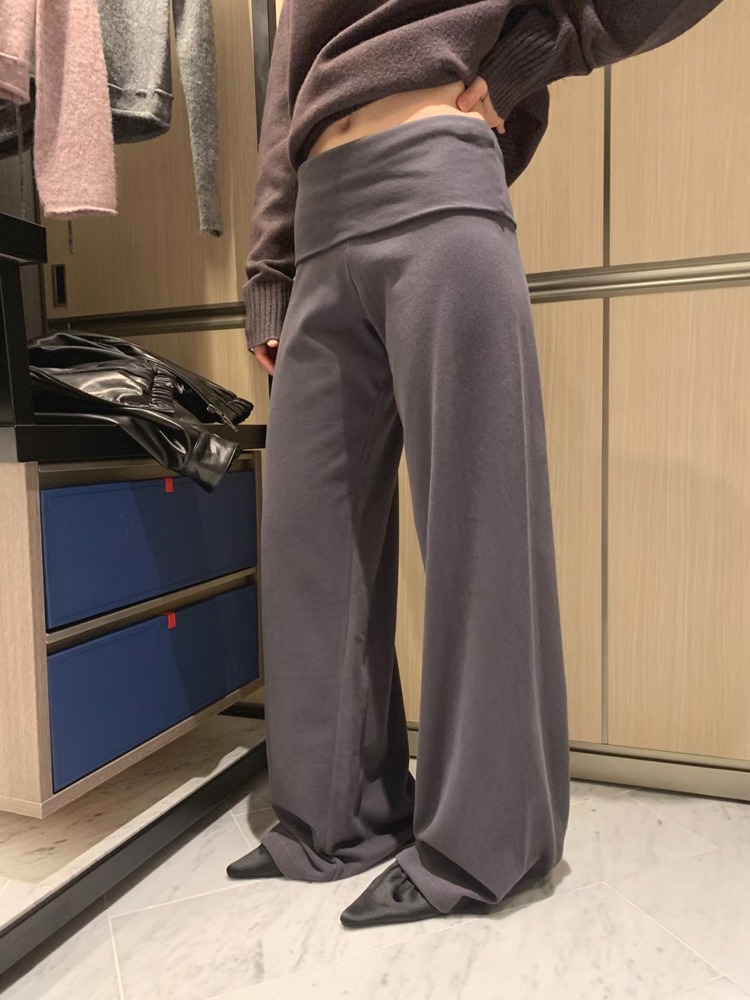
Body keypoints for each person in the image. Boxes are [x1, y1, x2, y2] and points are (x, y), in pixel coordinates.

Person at [227, 0, 725, 929]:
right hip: (320, 224)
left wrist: (536, 53)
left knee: (477, 530)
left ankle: (483, 844)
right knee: (310, 546)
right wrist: (269, 268)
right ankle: (335, 820)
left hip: (436, 182)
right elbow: (286, 82)